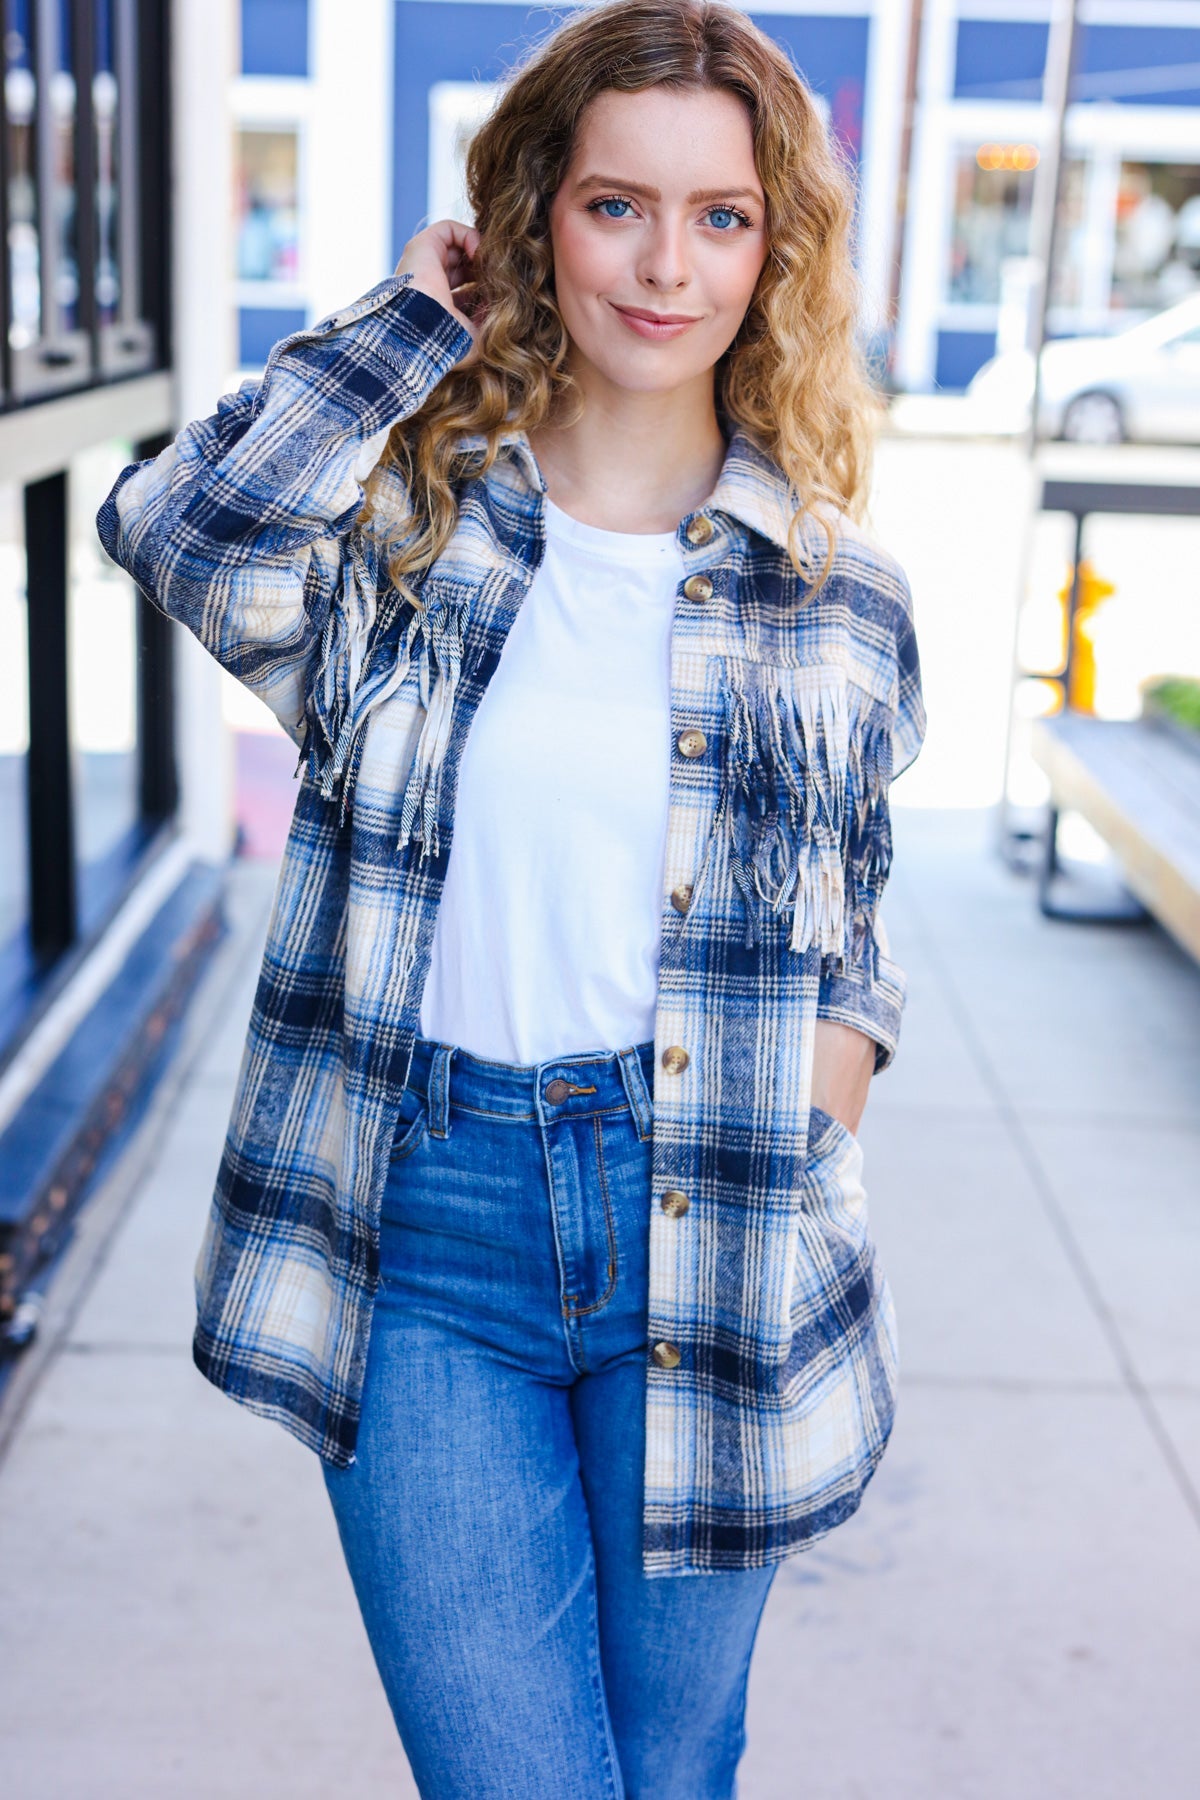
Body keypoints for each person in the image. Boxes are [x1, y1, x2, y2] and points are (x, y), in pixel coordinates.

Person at [97, 2, 924, 1792]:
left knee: (674, 1762)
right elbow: (182, 529)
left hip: (709, 1218)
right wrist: (405, 327)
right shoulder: (406, 529)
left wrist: (832, 1081)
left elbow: (856, 912)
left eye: (720, 216)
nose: (665, 263)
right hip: (427, 1232)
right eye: (616, 203)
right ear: (536, 215)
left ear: (773, 249)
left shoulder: (835, 594)